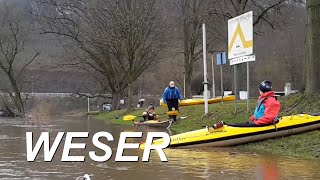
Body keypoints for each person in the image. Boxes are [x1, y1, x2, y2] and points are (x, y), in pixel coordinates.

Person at [212, 80, 281, 129]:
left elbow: (269, 118)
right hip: (259, 121)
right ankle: (226, 124)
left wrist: (257, 122)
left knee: (240, 126)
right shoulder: (265, 98)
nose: (259, 91)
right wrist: (255, 117)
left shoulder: (271, 101)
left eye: (260, 90)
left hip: (263, 124)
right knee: (239, 124)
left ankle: (227, 125)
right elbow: (262, 111)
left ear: (263, 91)